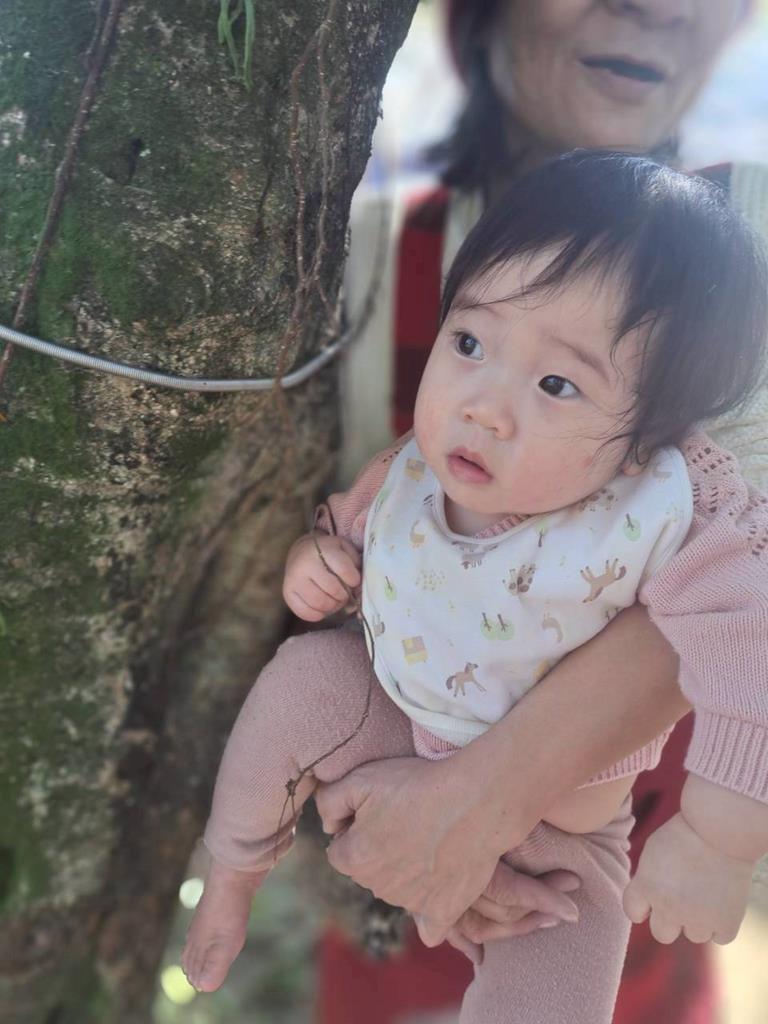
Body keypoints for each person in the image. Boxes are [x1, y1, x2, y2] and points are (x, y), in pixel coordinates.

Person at [182, 153, 768, 1023]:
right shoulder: (419, 469)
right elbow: (354, 535)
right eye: (469, 343)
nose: (483, 406)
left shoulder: (667, 508)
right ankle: (232, 870)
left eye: (557, 384)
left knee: (558, 994)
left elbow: (750, 646)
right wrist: (320, 565)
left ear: (651, 438)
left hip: (566, 847)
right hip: (393, 727)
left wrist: (718, 839)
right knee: (304, 681)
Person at [323, 4, 768, 1021]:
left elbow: (748, 580)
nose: (658, 7)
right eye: (471, 342)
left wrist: (481, 802)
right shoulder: (362, 243)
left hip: (626, 872)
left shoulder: (751, 240)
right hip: (390, 851)